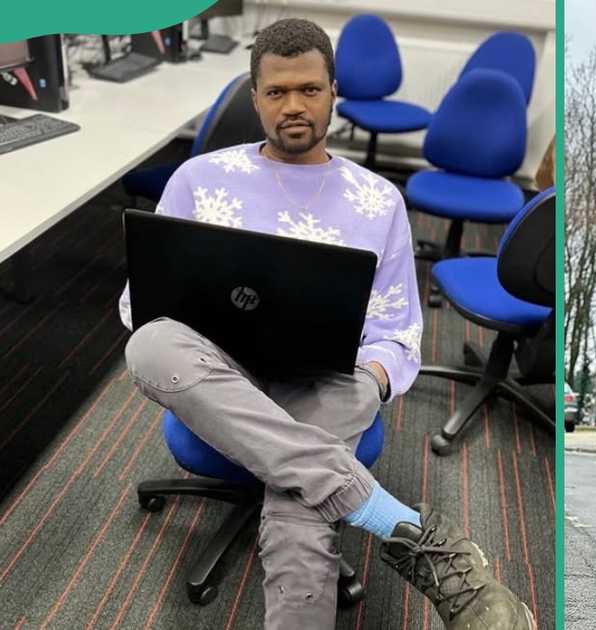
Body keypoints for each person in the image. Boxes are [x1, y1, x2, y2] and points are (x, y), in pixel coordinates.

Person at [118, 18, 535, 630]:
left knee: (298, 495)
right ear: (255, 96)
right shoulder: (200, 180)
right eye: (278, 92)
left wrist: (370, 377)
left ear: (334, 92)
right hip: (219, 373)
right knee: (150, 343)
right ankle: (410, 533)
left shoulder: (377, 199)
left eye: (310, 90)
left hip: (327, 378)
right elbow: (139, 304)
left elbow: (399, 332)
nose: (294, 106)